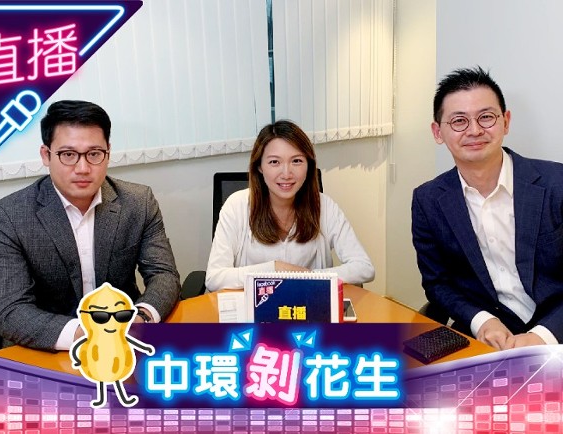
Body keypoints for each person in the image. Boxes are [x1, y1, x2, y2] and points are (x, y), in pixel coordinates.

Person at [0, 100, 181, 351]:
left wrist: (141, 317)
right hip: (51, 348)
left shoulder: (138, 202)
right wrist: (89, 333)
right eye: (68, 155)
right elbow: (10, 310)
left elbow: (164, 275)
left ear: (107, 152)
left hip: (127, 339)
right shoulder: (10, 216)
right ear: (46, 155)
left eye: (94, 154)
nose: (83, 168)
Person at [412, 66, 563, 350]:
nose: (474, 130)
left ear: (506, 122)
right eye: (459, 121)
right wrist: (481, 320)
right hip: (487, 336)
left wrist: (541, 336)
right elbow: (438, 283)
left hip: (555, 330)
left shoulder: (557, 184)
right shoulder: (428, 200)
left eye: (486, 117)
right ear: (438, 132)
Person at [205, 119, 375, 292]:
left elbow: (364, 268)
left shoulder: (324, 206)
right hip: (254, 306)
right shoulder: (236, 206)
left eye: (296, 161)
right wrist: (274, 269)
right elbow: (214, 278)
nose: (286, 174)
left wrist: (307, 277)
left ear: (308, 165)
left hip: (309, 304)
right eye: (274, 162)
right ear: (259, 167)